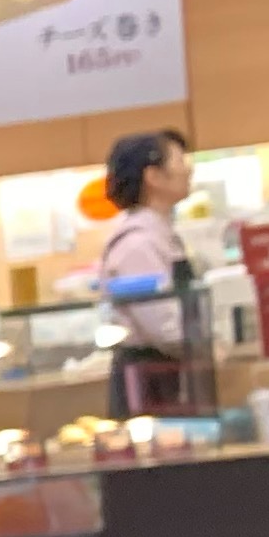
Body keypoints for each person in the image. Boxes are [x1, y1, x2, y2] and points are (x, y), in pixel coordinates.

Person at [95, 128, 196, 409]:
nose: (189, 169)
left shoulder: (160, 236)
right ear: (153, 177)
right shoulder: (137, 245)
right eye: (179, 161)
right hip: (148, 385)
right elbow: (166, 329)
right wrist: (211, 344)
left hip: (164, 378)